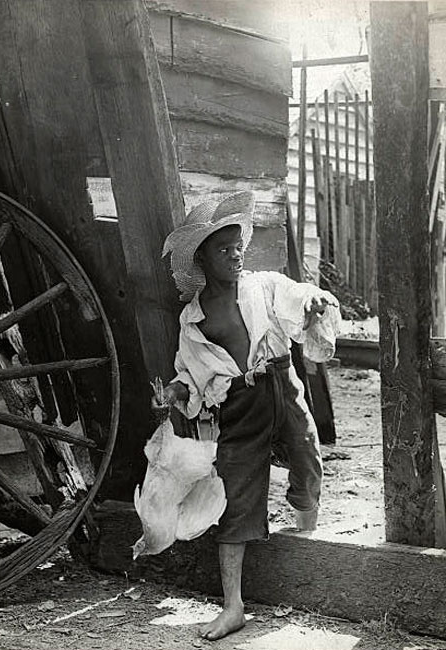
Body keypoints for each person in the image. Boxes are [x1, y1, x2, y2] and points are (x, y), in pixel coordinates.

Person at [153, 191, 340, 641]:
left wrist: (315, 302)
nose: (236, 256)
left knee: (307, 457)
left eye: (239, 248)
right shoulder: (195, 319)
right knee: (236, 494)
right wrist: (175, 392)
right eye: (224, 250)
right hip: (239, 405)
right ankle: (233, 606)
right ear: (202, 259)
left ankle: (306, 536)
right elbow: (192, 371)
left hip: (282, 385)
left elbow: (300, 295)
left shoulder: (263, 285)